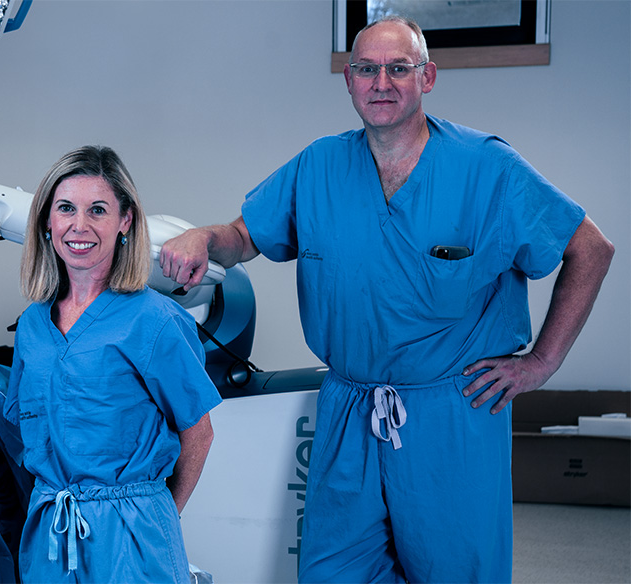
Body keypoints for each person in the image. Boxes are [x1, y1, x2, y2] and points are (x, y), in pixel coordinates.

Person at [160, 16, 614, 584]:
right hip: (350, 412)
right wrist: (205, 237)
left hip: (453, 415)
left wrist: (542, 362)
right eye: (368, 69)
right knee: (331, 573)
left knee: (455, 573)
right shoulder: (319, 166)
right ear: (349, 81)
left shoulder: (486, 168)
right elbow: (245, 236)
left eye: (399, 68)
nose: (382, 82)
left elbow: (590, 248)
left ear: (427, 77)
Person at [6, 145, 221, 582]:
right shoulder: (32, 327)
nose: (79, 226)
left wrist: (152, 515)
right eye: (66, 208)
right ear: (48, 221)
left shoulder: (153, 320)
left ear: (125, 221)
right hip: (51, 534)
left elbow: (198, 433)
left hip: (133, 538)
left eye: (98, 210)